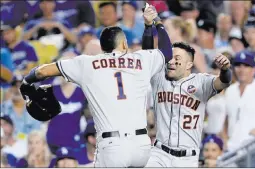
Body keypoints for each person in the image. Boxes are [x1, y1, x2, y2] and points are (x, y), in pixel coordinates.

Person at [19, 5, 172, 167]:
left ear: (102, 47)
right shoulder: (140, 60)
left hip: (112, 146)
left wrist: (27, 80)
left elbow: (43, 72)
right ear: (124, 45)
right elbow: (166, 52)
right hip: (142, 145)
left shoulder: (88, 63)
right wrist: (155, 23)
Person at [142, 11, 232, 167]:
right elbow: (148, 56)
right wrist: (149, 26)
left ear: (189, 65)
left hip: (187, 158)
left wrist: (225, 69)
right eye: (170, 58)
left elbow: (223, 82)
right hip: (159, 153)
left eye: (177, 59)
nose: (171, 62)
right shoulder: (159, 77)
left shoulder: (201, 82)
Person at [224, 51, 255, 167]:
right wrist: (224, 140)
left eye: (246, 66)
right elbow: (226, 120)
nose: (241, 69)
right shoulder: (230, 90)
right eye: (238, 65)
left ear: (254, 69)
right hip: (232, 150)